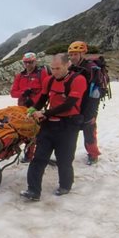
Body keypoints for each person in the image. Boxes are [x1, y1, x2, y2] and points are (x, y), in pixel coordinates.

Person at [20, 54, 87, 202]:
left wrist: (44, 112)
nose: (55, 71)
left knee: (64, 159)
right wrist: (32, 109)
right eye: (52, 68)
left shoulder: (78, 80)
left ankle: (65, 185)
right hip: (49, 124)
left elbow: (69, 104)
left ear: (67, 65)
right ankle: (33, 191)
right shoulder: (49, 80)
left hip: (68, 125)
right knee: (39, 158)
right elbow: (43, 98)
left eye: (58, 68)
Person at [10, 52, 50, 162]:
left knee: (36, 132)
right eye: (26, 62)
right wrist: (23, 93)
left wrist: (34, 100)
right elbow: (13, 93)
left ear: (35, 61)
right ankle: (28, 154)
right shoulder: (20, 76)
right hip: (22, 108)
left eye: (30, 62)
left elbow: (45, 90)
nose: (28, 65)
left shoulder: (41, 73)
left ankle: (34, 154)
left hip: (36, 108)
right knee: (24, 131)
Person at [68, 41, 101, 165]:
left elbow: (95, 93)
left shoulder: (92, 69)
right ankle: (67, 154)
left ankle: (93, 154)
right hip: (76, 104)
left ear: (82, 53)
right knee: (71, 130)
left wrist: (91, 111)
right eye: (70, 55)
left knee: (89, 129)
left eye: (75, 54)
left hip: (89, 104)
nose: (72, 57)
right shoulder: (72, 68)